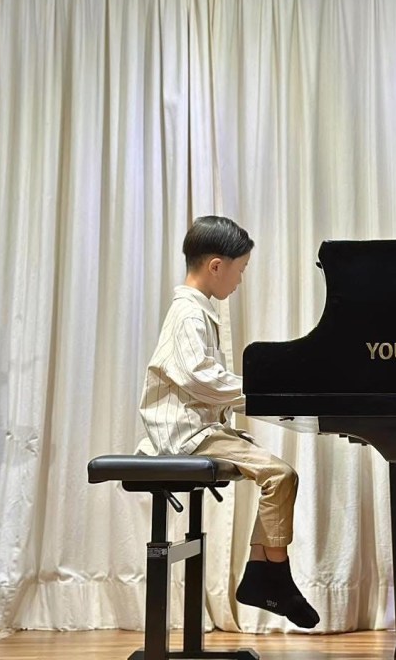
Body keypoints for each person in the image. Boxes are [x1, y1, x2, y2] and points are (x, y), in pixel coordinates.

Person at [137, 215, 320, 629]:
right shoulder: (188, 313)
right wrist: (260, 389)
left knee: (280, 475)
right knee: (280, 474)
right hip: (185, 435)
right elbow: (200, 377)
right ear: (217, 266)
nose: (240, 280)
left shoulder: (196, 310)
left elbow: (204, 382)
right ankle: (273, 575)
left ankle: (262, 573)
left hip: (198, 429)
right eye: (240, 270)